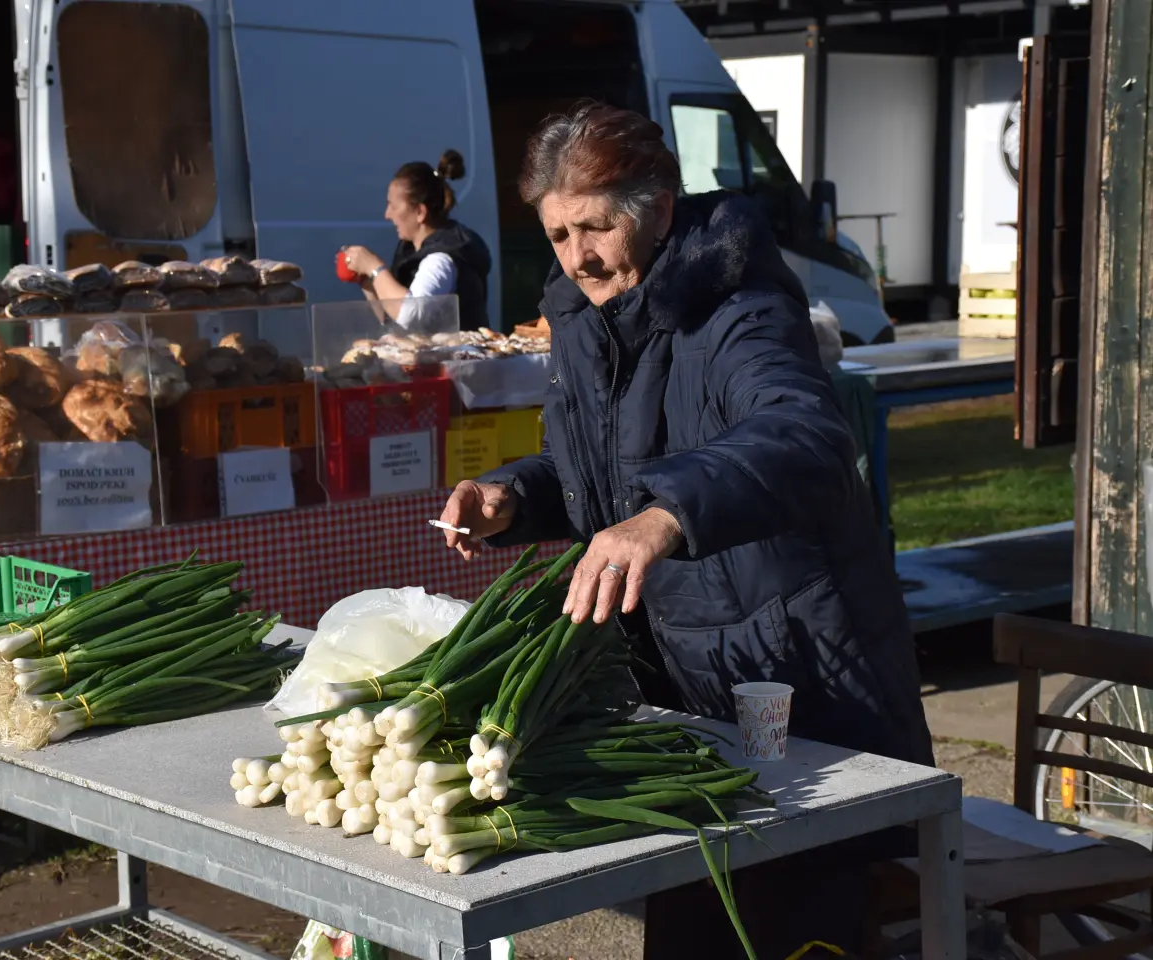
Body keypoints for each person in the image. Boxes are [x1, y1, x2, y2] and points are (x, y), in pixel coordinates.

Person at [437, 103, 934, 957]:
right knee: (692, 925)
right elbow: (598, 471)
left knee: (797, 926)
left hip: (796, 676)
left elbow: (806, 437)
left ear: (660, 208)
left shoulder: (739, 303)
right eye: (558, 235)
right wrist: (512, 496)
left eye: (596, 227)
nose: (578, 257)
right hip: (686, 694)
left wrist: (667, 516)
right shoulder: (584, 315)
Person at [341, 150, 492, 332]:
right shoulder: (411, 251)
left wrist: (374, 267)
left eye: (393, 206)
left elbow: (411, 316)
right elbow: (392, 319)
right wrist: (366, 280)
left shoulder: (441, 258)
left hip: (457, 351)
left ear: (420, 212)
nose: (387, 214)